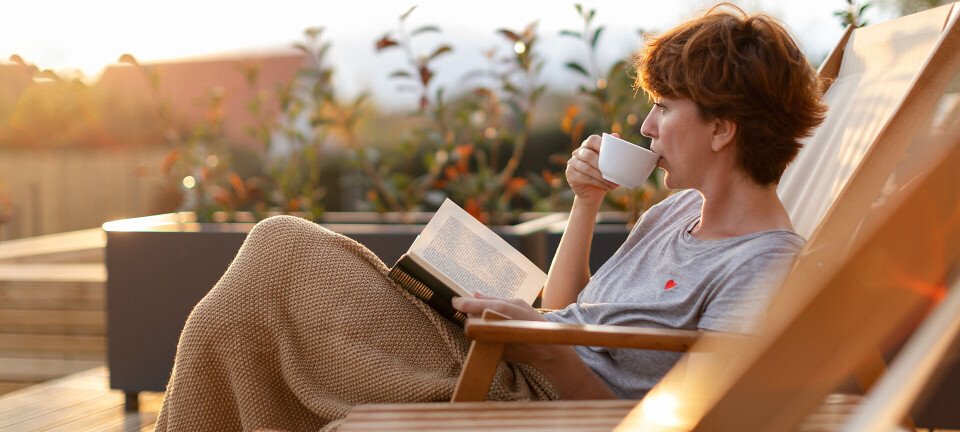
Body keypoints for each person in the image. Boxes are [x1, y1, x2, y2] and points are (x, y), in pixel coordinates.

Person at [156, 3, 826, 430]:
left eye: (666, 107)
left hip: (529, 400)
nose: (647, 125)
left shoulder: (763, 266)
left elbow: (702, 421)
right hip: (521, 355)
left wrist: (542, 347)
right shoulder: (677, 211)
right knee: (252, 299)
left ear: (721, 130)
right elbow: (567, 306)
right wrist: (584, 204)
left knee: (277, 261)